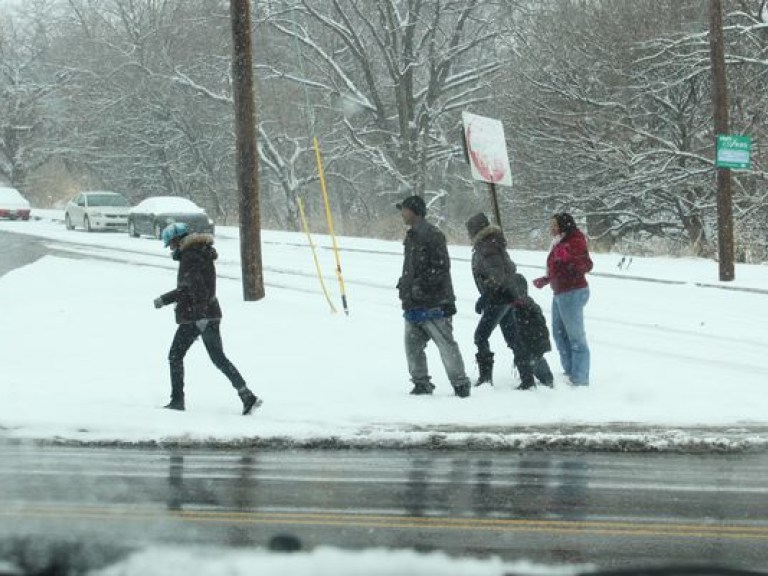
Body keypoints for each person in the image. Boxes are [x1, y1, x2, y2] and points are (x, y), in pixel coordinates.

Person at [153, 222, 261, 414]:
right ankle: (247, 395)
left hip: (196, 317)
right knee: (219, 359)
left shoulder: (190, 256)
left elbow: (195, 289)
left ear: (178, 240)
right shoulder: (200, 252)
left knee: (175, 356)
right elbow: (194, 287)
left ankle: (177, 401)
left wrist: (171, 302)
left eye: (170, 244)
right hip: (209, 314)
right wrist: (168, 300)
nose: (171, 249)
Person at [396, 195, 471, 398]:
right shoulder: (411, 236)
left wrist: (421, 287)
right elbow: (411, 268)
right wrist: (405, 286)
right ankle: (421, 383)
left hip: (435, 303)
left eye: (404, 209)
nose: (401, 213)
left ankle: (460, 384)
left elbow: (441, 268)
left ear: (415, 211)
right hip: (413, 304)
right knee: (412, 347)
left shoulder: (432, 235)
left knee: (446, 345)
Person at [466, 212, 535, 390]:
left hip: (497, 299)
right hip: (506, 298)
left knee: (480, 336)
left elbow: (497, 276)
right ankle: (527, 378)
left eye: (469, 231)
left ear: (476, 230)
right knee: (513, 338)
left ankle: (485, 378)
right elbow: (509, 268)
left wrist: (485, 296)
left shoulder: (487, 248)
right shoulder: (493, 244)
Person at [532, 212, 593, 386]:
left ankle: (580, 379)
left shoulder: (575, 241)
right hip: (560, 292)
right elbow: (559, 267)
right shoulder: (559, 241)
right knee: (559, 335)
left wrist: (570, 258)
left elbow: (587, 265)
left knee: (576, 338)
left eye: (555, 225)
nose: (551, 228)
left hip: (573, 292)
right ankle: (569, 372)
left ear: (564, 226)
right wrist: (547, 279)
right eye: (551, 224)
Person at [511, 273, 554, 387]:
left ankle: (547, 379)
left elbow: (536, 327)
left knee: (534, 359)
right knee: (530, 358)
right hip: (532, 340)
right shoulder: (522, 306)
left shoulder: (526, 307)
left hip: (534, 340)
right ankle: (541, 377)